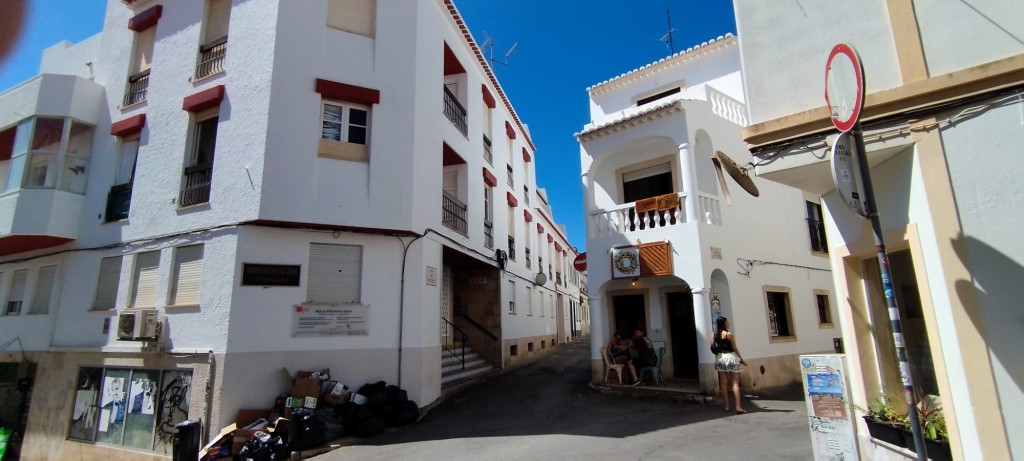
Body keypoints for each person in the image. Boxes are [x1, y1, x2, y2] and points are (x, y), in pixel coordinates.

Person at [712, 316, 747, 413]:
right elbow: (735, 348)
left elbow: (712, 346)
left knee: (723, 384)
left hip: (719, 358)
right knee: (735, 383)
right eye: (727, 322)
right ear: (724, 323)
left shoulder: (714, 334)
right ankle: (738, 407)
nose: (728, 323)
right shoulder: (728, 334)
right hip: (730, 357)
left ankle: (726, 406)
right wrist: (741, 359)